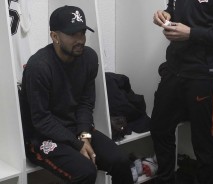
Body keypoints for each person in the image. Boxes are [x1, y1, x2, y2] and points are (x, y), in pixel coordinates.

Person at [19, 5, 133, 184]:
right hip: (42, 137)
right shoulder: (39, 67)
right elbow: (41, 119)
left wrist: (84, 137)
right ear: (55, 36)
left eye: (82, 33)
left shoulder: (89, 58)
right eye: (73, 34)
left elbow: (85, 103)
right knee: (86, 172)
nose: (80, 39)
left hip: (77, 130)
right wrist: (78, 144)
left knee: (120, 160)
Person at [151, 0, 213, 184]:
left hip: (205, 74)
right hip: (174, 68)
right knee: (160, 128)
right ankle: (166, 179)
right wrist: (166, 15)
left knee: (205, 143)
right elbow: (173, 8)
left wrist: (191, 33)